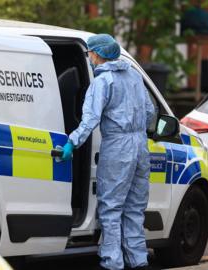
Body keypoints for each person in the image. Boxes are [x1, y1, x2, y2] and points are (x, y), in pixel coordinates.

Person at [61, 34, 155, 270]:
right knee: (134, 209)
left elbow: (90, 119)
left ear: (97, 54)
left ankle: (113, 263)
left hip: (118, 147)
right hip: (140, 145)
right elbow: (151, 112)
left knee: (111, 208)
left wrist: (73, 142)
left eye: (89, 53)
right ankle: (139, 261)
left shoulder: (102, 83)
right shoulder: (134, 75)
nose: (89, 57)